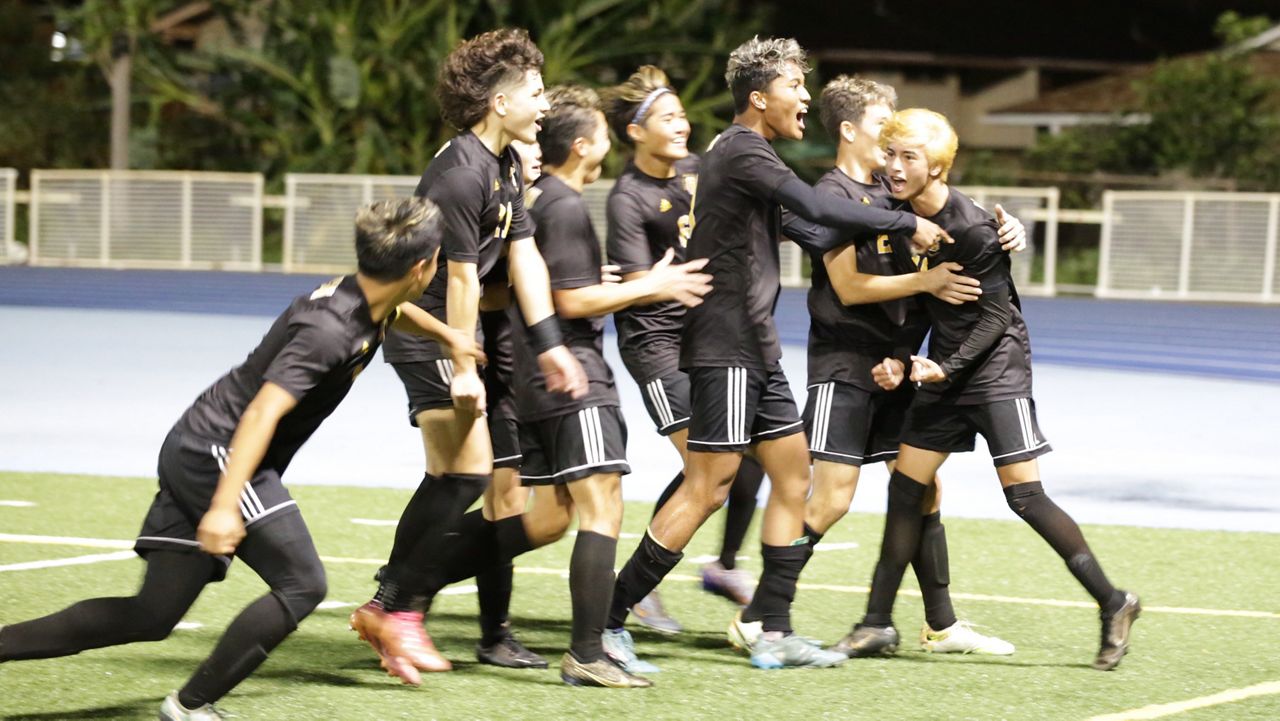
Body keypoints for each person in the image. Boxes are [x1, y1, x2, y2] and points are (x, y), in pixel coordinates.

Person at [0, 197, 479, 719]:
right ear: (422, 267)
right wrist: (226, 506)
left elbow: (398, 310)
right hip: (220, 452)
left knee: (151, 614)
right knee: (303, 584)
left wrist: (450, 337)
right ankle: (190, 706)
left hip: (197, 444)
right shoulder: (330, 331)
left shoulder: (364, 294)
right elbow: (260, 413)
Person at [604, 36, 953, 672]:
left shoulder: (753, 157)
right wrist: (905, 224)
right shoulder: (741, 150)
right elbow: (818, 204)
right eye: (795, 85)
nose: (804, 97)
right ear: (760, 97)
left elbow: (814, 227)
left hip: (755, 345)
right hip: (727, 343)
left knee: (793, 477)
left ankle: (772, 631)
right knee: (709, 486)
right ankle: (608, 618)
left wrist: (920, 214)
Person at [836, 108, 1140, 671]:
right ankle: (876, 621)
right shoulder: (900, 219)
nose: (895, 168)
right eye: (892, 154)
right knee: (906, 490)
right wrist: (905, 362)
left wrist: (942, 368)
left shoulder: (973, 226)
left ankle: (1113, 601)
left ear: (939, 167)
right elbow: (925, 306)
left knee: (1024, 496)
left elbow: (997, 316)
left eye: (910, 158)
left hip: (996, 370)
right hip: (945, 372)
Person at [352, 28, 587, 685]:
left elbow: (522, 256)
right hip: (422, 329)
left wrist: (549, 346)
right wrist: (462, 366)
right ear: (498, 100)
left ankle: (391, 608)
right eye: (535, 93)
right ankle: (392, 606)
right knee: (468, 472)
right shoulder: (460, 171)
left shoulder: (505, 165)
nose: (545, 104)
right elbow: (457, 279)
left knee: (459, 474)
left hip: (454, 335)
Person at [797, 75, 1021, 656]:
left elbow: (943, 202)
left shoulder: (888, 193)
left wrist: (1004, 229)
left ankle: (940, 625)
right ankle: (765, 610)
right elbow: (846, 287)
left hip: (893, 366)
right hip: (845, 364)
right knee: (832, 498)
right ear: (850, 130)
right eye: (883, 126)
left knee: (921, 487)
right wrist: (925, 278)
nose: (893, 138)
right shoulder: (833, 196)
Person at [511, 84, 711, 686]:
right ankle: (590, 651)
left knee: (552, 517)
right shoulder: (568, 205)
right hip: (569, 371)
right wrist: (653, 285)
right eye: (602, 130)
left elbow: (552, 282)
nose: (609, 139)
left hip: (541, 372)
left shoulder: (546, 199)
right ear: (582, 145)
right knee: (603, 506)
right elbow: (571, 300)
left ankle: (412, 581)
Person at [599, 65, 765, 639]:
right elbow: (640, 285)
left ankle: (721, 567)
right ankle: (637, 592)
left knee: (741, 462)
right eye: (667, 117)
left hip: (706, 337)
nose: (681, 125)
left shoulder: (701, 169)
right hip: (656, 344)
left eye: (681, 115)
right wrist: (658, 282)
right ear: (636, 132)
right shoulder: (628, 199)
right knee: (705, 469)